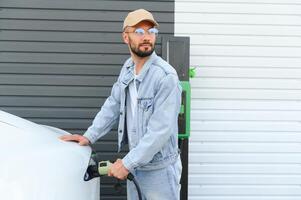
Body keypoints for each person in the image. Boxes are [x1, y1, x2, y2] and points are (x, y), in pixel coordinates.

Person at [60, 8, 182, 200]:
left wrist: (126, 164)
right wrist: (89, 136)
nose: (147, 37)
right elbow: (113, 104)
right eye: (139, 32)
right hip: (136, 164)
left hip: (159, 171)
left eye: (151, 31)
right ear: (126, 37)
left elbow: (160, 131)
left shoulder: (166, 77)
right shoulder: (127, 68)